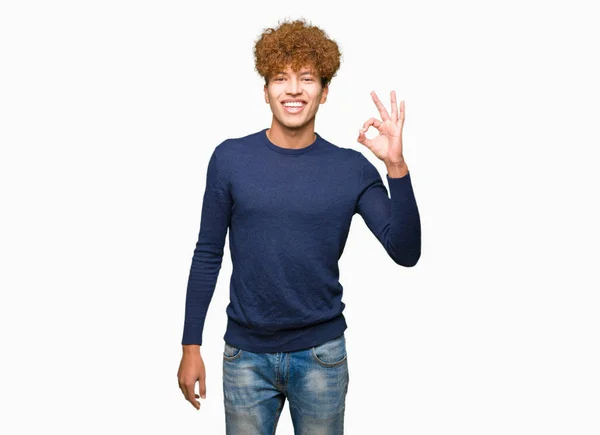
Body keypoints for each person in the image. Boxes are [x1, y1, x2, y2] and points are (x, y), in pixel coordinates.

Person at [177, 17, 421, 434]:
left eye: (306, 78)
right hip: (245, 356)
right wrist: (190, 345)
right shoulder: (230, 159)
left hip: (321, 356)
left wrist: (395, 165)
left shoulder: (350, 169)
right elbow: (207, 255)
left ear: (324, 92)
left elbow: (406, 252)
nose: (293, 89)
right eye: (280, 78)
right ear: (266, 90)